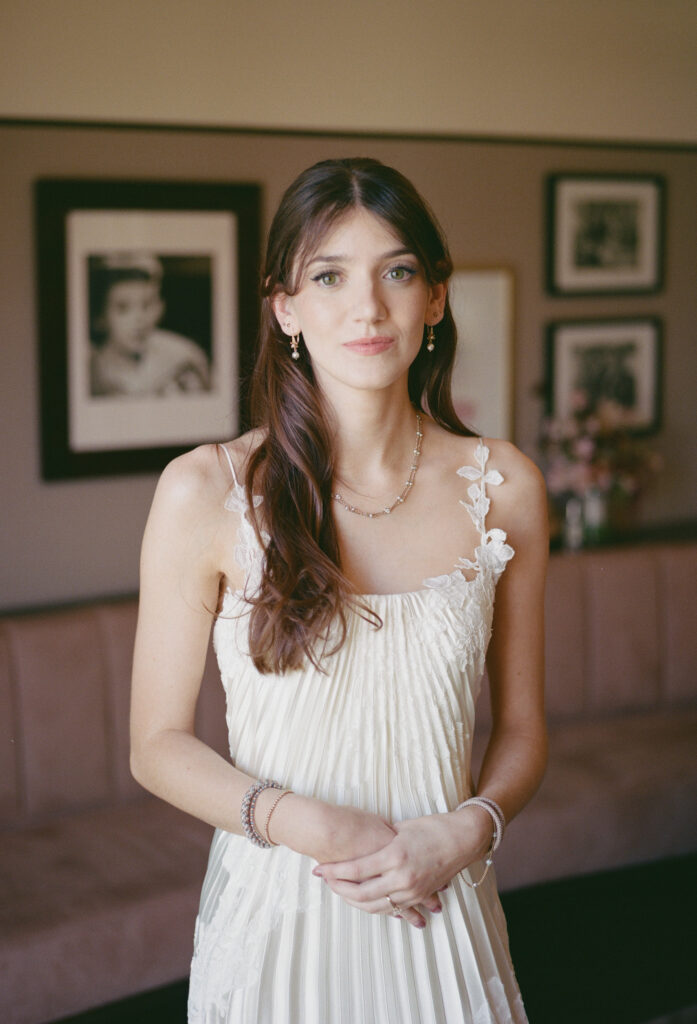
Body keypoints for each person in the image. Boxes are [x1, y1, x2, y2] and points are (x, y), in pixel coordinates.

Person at [130, 157, 548, 1023]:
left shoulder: (503, 486)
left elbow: (520, 728)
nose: (367, 308)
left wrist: (469, 827)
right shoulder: (203, 491)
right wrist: (304, 824)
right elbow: (156, 745)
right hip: (279, 920)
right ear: (284, 307)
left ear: (435, 297)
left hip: (443, 907)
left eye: (396, 272)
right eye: (328, 276)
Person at [89, 253, 210, 397]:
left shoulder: (183, 358)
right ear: (101, 316)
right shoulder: (89, 369)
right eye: (123, 308)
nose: (139, 319)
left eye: (147, 304)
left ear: (160, 307)